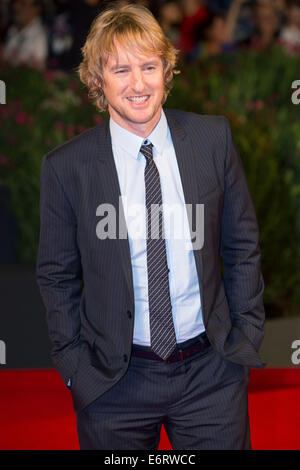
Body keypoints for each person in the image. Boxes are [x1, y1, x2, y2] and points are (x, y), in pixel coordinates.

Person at [36, 3, 265, 450]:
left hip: (211, 376)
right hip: (113, 383)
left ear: (167, 69)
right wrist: (75, 369)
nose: (138, 84)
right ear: (97, 79)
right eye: (121, 69)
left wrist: (245, 337)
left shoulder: (212, 139)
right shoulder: (68, 168)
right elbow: (56, 276)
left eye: (149, 66)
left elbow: (243, 246)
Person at [3, 0, 48, 69]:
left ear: (36, 9)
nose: (17, 7)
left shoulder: (40, 35)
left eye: (23, 4)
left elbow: (37, 69)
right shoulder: (12, 30)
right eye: (17, 3)